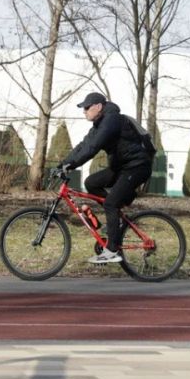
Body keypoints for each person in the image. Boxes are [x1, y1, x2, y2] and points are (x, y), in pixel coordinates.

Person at [58, 92, 155, 263]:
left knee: (110, 202)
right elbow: (84, 145)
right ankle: (115, 218)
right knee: (91, 183)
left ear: (98, 107)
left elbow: (93, 148)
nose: (84, 111)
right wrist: (63, 164)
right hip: (122, 167)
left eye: (87, 108)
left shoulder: (111, 121)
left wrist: (72, 165)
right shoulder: (99, 123)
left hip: (137, 166)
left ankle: (112, 251)